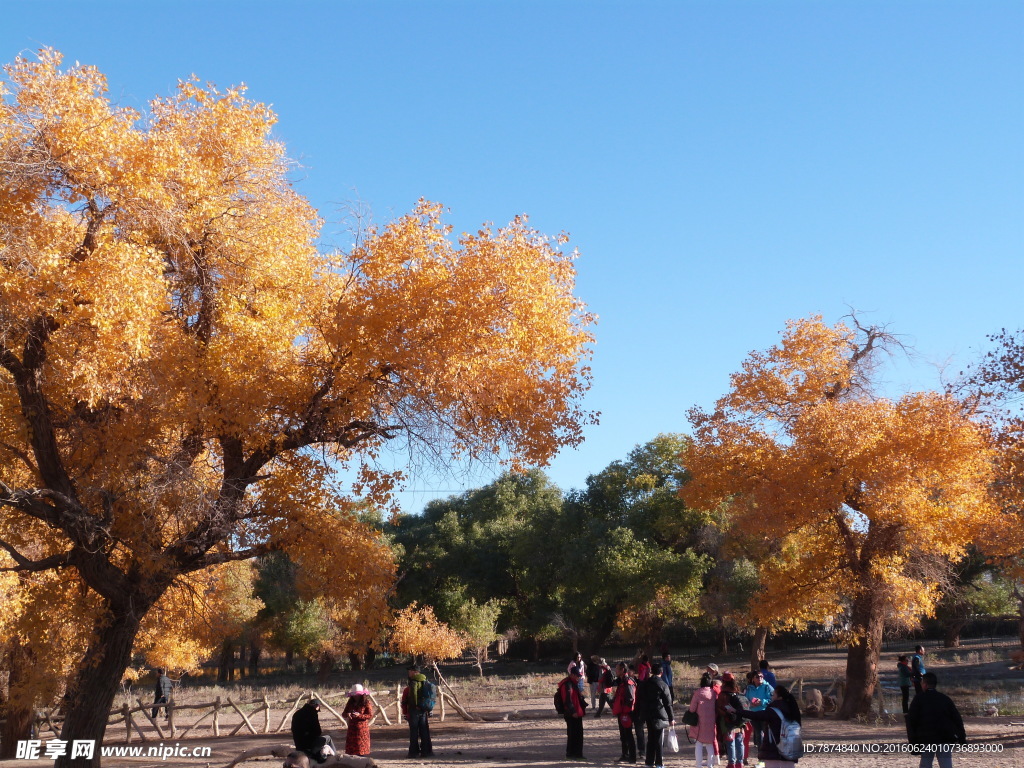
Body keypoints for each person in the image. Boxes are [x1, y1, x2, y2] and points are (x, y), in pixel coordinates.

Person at [905, 672, 966, 768]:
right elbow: (957, 719)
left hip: (926, 738)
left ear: (924, 684)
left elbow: (911, 722)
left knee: (926, 763)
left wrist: (913, 743)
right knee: (946, 764)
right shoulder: (945, 699)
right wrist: (962, 738)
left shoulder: (919, 699)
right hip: (944, 737)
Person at [736, 685, 802, 766]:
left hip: (774, 750)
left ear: (779, 697)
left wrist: (737, 711)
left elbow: (756, 715)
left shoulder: (773, 710)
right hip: (791, 750)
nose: (771, 697)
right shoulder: (793, 710)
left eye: (773, 695)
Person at [637, 660, 674, 768]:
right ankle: (659, 762)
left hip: (647, 713)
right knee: (658, 739)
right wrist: (671, 717)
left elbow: (639, 699)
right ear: (661, 673)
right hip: (659, 713)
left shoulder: (645, 684)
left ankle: (649, 762)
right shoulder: (663, 685)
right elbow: (668, 703)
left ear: (651, 671)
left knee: (651, 738)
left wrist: (639, 713)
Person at [716, 673, 749, 768]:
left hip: (728, 721)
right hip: (740, 720)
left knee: (730, 742)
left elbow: (720, 708)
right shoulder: (737, 691)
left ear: (724, 681)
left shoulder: (723, 694)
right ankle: (740, 762)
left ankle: (732, 763)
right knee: (739, 741)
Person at [402, 665, 434, 758]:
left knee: (414, 732)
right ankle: (426, 751)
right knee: (424, 731)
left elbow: (412, 697)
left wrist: (409, 710)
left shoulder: (413, 682)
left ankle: (413, 752)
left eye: (410, 671)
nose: (408, 673)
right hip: (424, 709)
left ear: (415, 672)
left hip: (414, 711)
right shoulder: (425, 680)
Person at [291, 699, 336, 763]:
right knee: (328, 738)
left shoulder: (297, 713)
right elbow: (318, 732)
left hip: (298, 744)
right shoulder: (312, 713)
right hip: (309, 745)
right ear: (317, 706)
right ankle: (334, 757)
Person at [557, 664, 588, 760]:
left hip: (577, 713)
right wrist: (573, 711)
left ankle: (578, 754)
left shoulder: (573, 683)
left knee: (578, 734)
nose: (579, 677)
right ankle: (571, 754)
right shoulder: (567, 684)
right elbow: (567, 700)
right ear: (572, 675)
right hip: (571, 714)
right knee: (572, 734)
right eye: (578, 676)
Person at [689, 672, 718, 768]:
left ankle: (698, 765)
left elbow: (692, 709)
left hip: (700, 722)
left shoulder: (698, 693)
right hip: (711, 721)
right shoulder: (714, 693)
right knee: (710, 744)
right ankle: (710, 765)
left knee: (699, 743)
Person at [611, 661, 638, 764]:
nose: (616, 671)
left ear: (622, 670)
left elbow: (630, 698)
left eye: (617, 669)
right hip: (621, 712)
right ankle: (625, 755)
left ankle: (632, 757)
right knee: (623, 735)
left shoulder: (628, 682)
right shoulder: (621, 681)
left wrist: (625, 711)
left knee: (628, 735)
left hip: (626, 713)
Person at [745, 668, 775, 757]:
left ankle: (766, 756)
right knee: (758, 735)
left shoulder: (767, 687)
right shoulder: (749, 688)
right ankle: (761, 757)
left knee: (764, 735)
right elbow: (745, 700)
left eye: (762, 676)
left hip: (765, 714)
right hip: (753, 714)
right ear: (753, 678)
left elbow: (773, 700)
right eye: (757, 677)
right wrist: (750, 704)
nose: (760, 678)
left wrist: (762, 702)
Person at [342, 684, 374, 756]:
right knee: (352, 752)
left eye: (357, 695)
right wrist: (348, 714)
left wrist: (359, 715)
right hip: (352, 730)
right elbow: (344, 713)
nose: (356, 696)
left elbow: (369, 715)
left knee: (361, 751)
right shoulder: (350, 703)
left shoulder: (366, 703)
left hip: (362, 730)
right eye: (354, 695)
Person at [628, 664, 646, 757]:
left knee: (639, 732)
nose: (627, 673)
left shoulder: (639, 683)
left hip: (638, 711)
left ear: (633, 672)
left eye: (629, 671)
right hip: (628, 711)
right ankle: (629, 752)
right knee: (628, 732)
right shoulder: (624, 682)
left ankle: (642, 751)